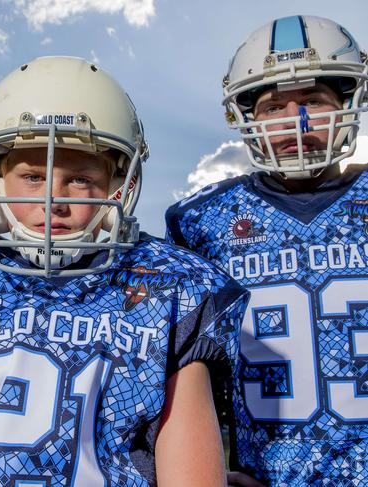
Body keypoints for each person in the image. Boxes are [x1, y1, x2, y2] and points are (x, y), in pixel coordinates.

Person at [0, 55, 249, 487]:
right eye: (32, 175)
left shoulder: (169, 285)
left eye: (79, 179)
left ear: (120, 184)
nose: (53, 200)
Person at [165, 15, 368, 486]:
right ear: (246, 115)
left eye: (314, 100)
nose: (295, 121)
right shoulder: (199, 221)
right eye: (275, 106)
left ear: (348, 102)